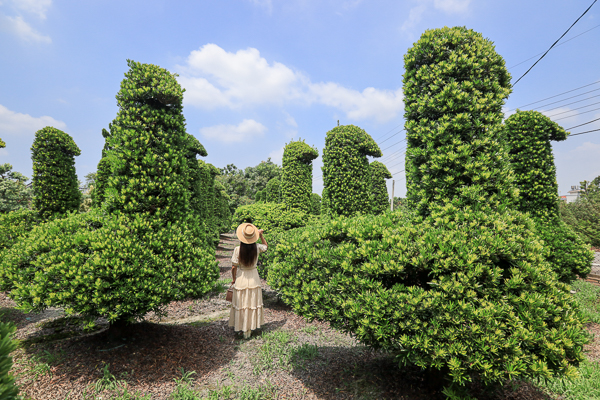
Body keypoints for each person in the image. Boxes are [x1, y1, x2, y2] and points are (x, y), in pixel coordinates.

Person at [229, 223, 268, 339]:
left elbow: (233, 267)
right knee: (252, 303)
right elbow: (265, 246)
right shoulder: (257, 248)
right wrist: (261, 236)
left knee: (242, 304)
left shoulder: (237, 249)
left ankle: (242, 328)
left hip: (242, 277)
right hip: (254, 277)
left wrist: (234, 278)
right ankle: (250, 328)